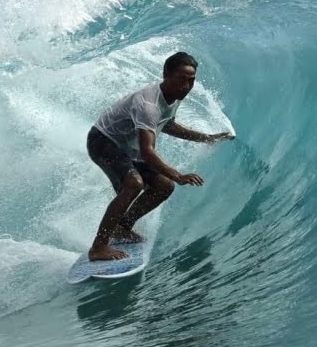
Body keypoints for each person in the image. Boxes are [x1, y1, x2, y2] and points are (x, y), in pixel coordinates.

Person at [86, 51, 234, 261]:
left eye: (191, 81)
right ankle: (98, 246)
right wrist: (178, 175)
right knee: (134, 184)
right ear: (166, 75)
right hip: (102, 141)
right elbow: (147, 151)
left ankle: (122, 228)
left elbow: (167, 124)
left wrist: (205, 138)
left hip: (125, 148)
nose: (186, 86)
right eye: (181, 80)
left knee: (164, 186)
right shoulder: (148, 105)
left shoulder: (173, 96)